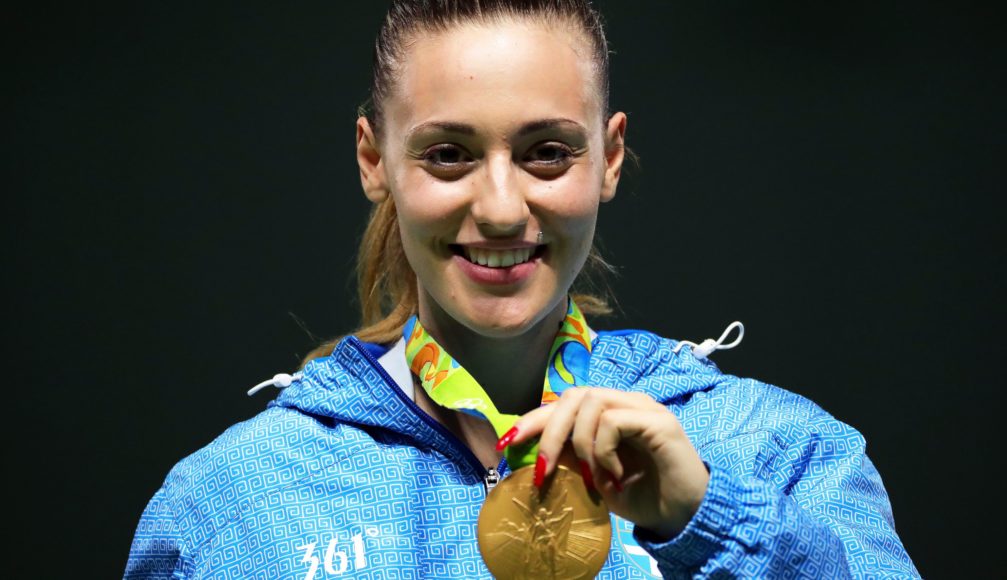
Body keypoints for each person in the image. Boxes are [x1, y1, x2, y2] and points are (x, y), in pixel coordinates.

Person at [125, 1, 919, 578]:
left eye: (546, 152)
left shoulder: (779, 453)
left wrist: (709, 520)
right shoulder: (233, 504)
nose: (502, 208)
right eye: (447, 155)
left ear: (609, 158)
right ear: (375, 161)